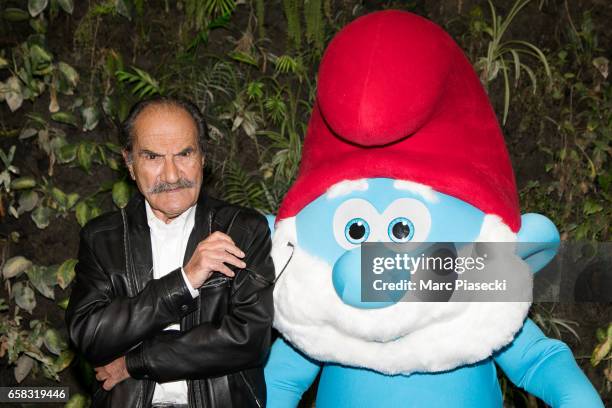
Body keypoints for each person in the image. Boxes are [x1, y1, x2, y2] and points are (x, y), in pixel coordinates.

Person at [66, 96, 275, 408]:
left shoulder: (242, 229)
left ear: (203, 156)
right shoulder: (102, 238)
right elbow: (90, 335)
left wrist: (134, 361)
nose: (172, 175)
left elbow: (248, 339)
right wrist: (185, 281)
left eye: (184, 154)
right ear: (129, 162)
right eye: (152, 157)